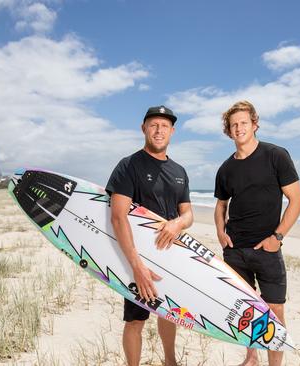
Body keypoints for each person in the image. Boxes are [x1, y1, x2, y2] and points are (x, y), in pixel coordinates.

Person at [214, 100, 300, 366]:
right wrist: (221, 232)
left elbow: (296, 200)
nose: (239, 128)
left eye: (243, 123)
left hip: (267, 249)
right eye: (233, 125)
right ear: (228, 132)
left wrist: (277, 238)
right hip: (235, 250)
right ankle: (251, 359)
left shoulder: (276, 155)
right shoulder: (226, 168)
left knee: (274, 310)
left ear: (255, 125)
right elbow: (221, 205)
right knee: (244, 308)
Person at [106, 105, 194, 366]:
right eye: (153, 125)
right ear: (143, 128)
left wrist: (177, 224)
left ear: (172, 131)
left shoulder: (179, 172)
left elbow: (188, 214)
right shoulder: (128, 165)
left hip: (168, 255)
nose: (159, 130)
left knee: (169, 314)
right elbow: (118, 217)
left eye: (164, 126)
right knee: (135, 319)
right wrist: (136, 266)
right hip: (137, 257)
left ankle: (170, 361)